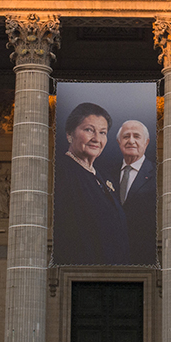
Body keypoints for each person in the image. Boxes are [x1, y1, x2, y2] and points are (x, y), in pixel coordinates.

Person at [53, 102, 132, 264]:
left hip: (115, 271)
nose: (96, 138)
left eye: (102, 132)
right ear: (69, 134)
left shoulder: (102, 177)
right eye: (89, 130)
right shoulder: (61, 171)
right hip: (82, 272)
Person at [111, 118, 156, 260]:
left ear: (146, 142)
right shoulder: (106, 172)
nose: (131, 141)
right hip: (108, 251)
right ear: (119, 142)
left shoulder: (158, 173)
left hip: (145, 251)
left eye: (136, 136)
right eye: (126, 136)